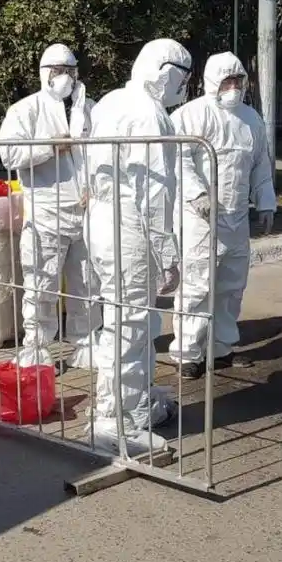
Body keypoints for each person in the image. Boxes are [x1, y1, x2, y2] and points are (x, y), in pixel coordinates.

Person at [84, 38, 192, 455]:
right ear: (164, 73)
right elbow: (154, 195)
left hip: (102, 223)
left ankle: (123, 404)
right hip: (131, 228)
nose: (182, 88)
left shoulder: (110, 101)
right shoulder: (151, 115)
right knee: (131, 325)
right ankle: (121, 421)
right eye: (182, 78)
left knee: (120, 320)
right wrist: (169, 257)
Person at [169, 52, 277, 378]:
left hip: (236, 217)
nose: (233, 88)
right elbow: (177, 158)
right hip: (198, 217)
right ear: (212, 82)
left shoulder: (251, 120)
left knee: (231, 286)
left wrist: (266, 201)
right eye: (227, 81)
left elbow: (260, 164)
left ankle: (221, 348)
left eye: (238, 81)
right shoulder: (190, 115)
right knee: (197, 286)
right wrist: (197, 194)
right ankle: (188, 353)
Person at [0, 43, 99, 370]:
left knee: (87, 285)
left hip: (85, 213)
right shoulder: (25, 111)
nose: (64, 78)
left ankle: (86, 344)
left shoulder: (89, 109)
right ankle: (36, 350)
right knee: (41, 285)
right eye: (56, 71)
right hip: (45, 215)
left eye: (69, 71)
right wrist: (49, 147)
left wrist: (95, 189)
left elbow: (103, 157)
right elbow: (8, 155)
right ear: (44, 73)